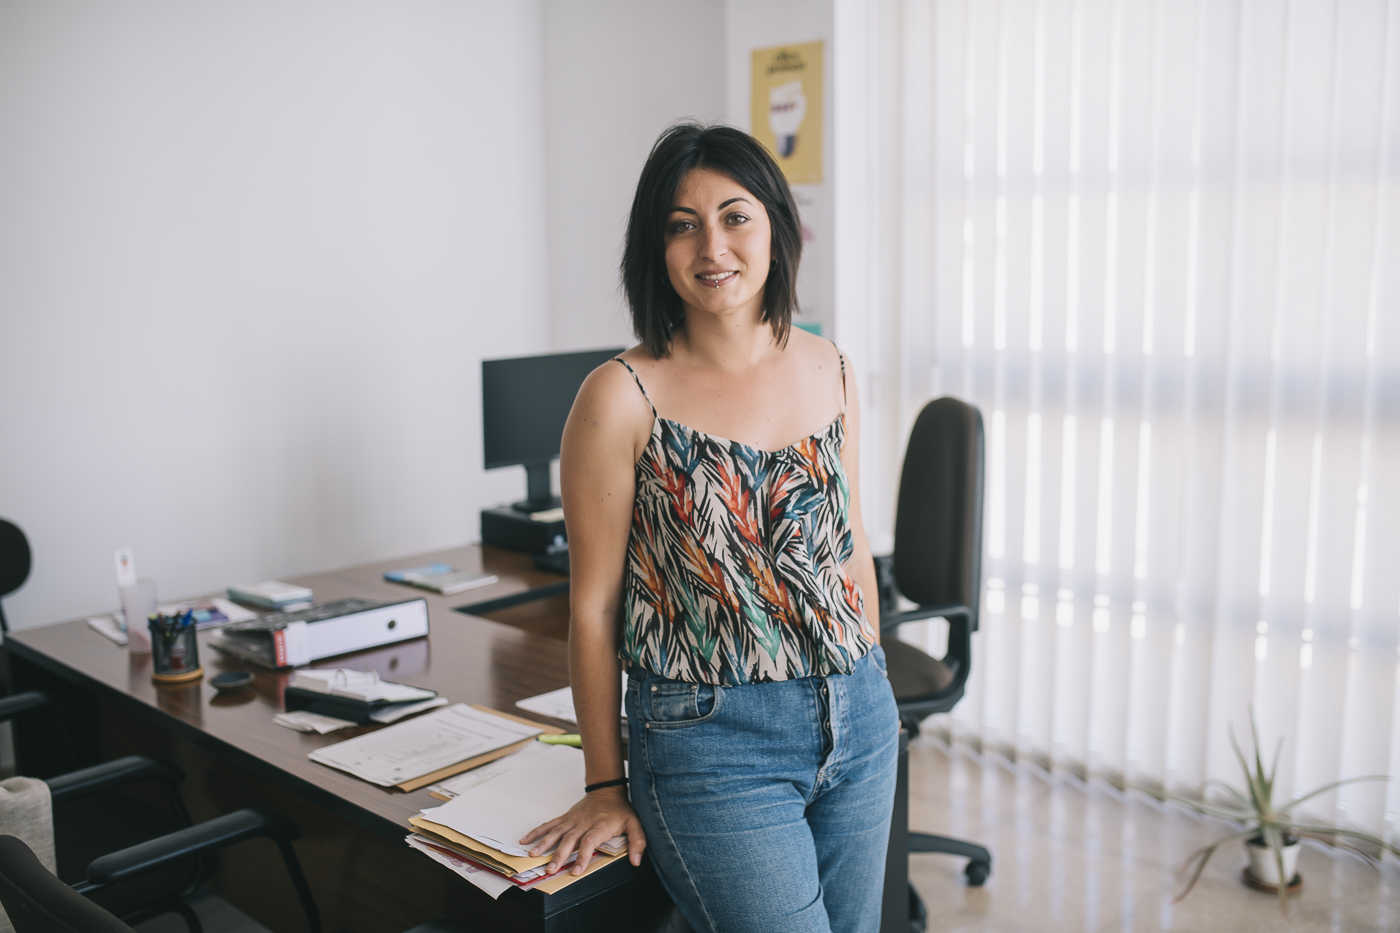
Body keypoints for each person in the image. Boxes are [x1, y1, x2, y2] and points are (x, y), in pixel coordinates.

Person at [520, 123, 899, 933]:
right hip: (712, 744)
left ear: (775, 228)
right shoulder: (619, 395)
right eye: (681, 224)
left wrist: (877, 682)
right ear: (654, 248)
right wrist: (603, 784)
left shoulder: (831, 365)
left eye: (734, 216)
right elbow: (592, 609)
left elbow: (850, 540)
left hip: (859, 715)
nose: (711, 246)